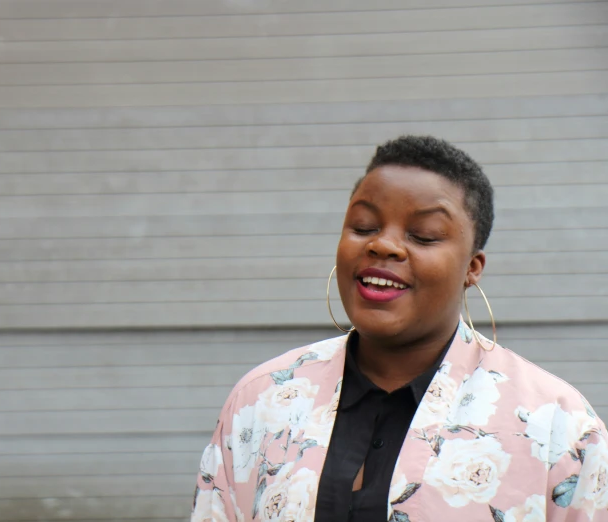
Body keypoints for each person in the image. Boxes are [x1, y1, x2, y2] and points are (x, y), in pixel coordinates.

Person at [190, 136, 608, 522]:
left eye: (423, 236)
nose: (383, 245)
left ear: (472, 268)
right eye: (365, 227)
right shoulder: (259, 400)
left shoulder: (558, 426)